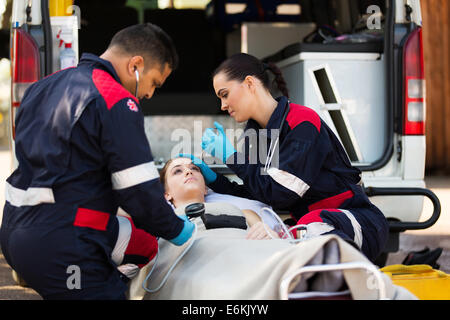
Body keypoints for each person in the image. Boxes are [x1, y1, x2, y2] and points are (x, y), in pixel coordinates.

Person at [0, 23, 195, 300]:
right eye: (154, 83)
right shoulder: (115, 99)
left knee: (139, 246)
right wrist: (179, 230)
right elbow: (138, 190)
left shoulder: (43, 86)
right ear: (135, 65)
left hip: (15, 228)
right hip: (63, 242)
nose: (150, 94)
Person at [184, 53, 389, 262]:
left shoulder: (303, 122)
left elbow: (280, 194)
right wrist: (213, 180)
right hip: (309, 228)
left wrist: (232, 157)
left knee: (297, 230)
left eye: (225, 94)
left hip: (355, 222)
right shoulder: (256, 136)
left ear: (249, 83)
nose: (223, 105)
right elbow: (259, 192)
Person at [160, 156, 280, 240]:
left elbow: (276, 244)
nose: (188, 171)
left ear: (206, 189)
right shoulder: (163, 225)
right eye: (177, 171)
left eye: (194, 168)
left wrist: (268, 234)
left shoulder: (245, 214)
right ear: (166, 194)